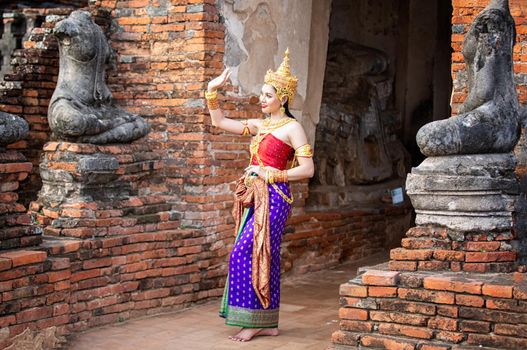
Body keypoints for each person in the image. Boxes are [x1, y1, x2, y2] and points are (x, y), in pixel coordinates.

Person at [205, 49, 315, 342]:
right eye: (262, 95)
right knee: (264, 255)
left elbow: (308, 169)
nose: (262, 100)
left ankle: (254, 321)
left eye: (268, 95)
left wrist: (273, 174)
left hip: (276, 197)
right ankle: (268, 322)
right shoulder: (259, 125)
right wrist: (211, 92)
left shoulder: (293, 128)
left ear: (283, 97)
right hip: (254, 196)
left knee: (248, 252)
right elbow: (219, 123)